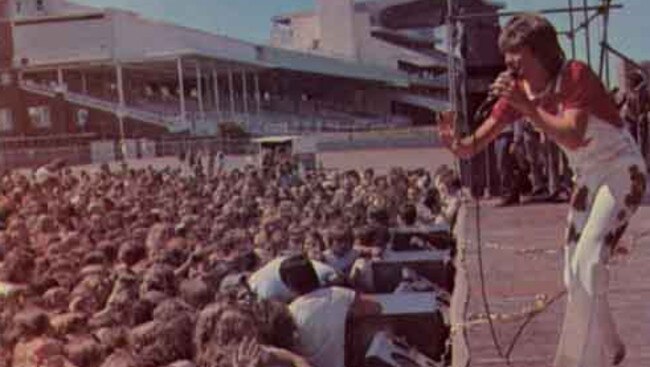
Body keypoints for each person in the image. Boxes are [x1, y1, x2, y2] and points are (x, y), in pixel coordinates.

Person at [437, 13, 647, 367]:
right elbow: (476, 144)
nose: (509, 64)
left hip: (620, 173)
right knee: (573, 271)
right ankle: (611, 345)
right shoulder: (524, 94)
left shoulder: (575, 75)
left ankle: (579, 360)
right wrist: (456, 143)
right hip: (589, 178)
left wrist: (527, 107)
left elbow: (572, 134)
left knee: (590, 260)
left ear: (540, 53)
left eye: (516, 55)